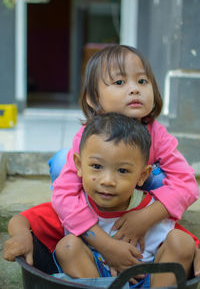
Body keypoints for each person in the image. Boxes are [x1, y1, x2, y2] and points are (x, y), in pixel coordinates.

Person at [51, 44, 199, 273]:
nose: (134, 89)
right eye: (120, 82)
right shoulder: (88, 137)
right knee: (62, 162)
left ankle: (158, 236)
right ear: (93, 98)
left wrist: (146, 217)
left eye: (142, 81)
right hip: (101, 209)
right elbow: (62, 195)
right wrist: (105, 243)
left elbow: (187, 184)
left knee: (161, 179)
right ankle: (81, 229)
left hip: (140, 190)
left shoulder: (156, 133)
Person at [53, 112, 196, 288]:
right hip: (97, 277)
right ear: (79, 166)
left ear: (143, 175)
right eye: (96, 167)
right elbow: (31, 220)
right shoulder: (75, 204)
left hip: (149, 279)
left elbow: (181, 242)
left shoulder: (148, 207)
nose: (107, 181)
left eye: (122, 171)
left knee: (182, 241)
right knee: (67, 247)